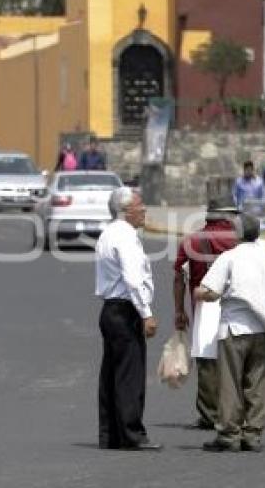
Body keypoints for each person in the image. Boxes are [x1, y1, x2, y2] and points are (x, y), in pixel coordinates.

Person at [194, 213, 265, 453]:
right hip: (262, 329)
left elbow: (212, 292)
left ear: (237, 234)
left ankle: (229, 434)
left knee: (230, 383)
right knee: (258, 383)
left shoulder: (229, 257)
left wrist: (199, 293)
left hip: (234, 328)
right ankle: (253, 434)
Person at [94, 187, 161, 451]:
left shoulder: (108, 233)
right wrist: (147, 313)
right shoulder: (125, 237)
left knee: (111, 375)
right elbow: (133, 279)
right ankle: (132, 435)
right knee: (130, 376)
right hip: (125, 310)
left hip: (111, 310)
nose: (144, 209)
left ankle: (110, 434)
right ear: (125, 211)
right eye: (139, 204)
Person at [173, 196, 239, 430]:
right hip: (237, 307)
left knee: (207, 361)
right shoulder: (240, 242)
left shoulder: (191, 241)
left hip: (204, 305)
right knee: (235, 361)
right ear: (229, 216)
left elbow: (179, 278)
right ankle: (235, 413)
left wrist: (179, 311)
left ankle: (210, 414)